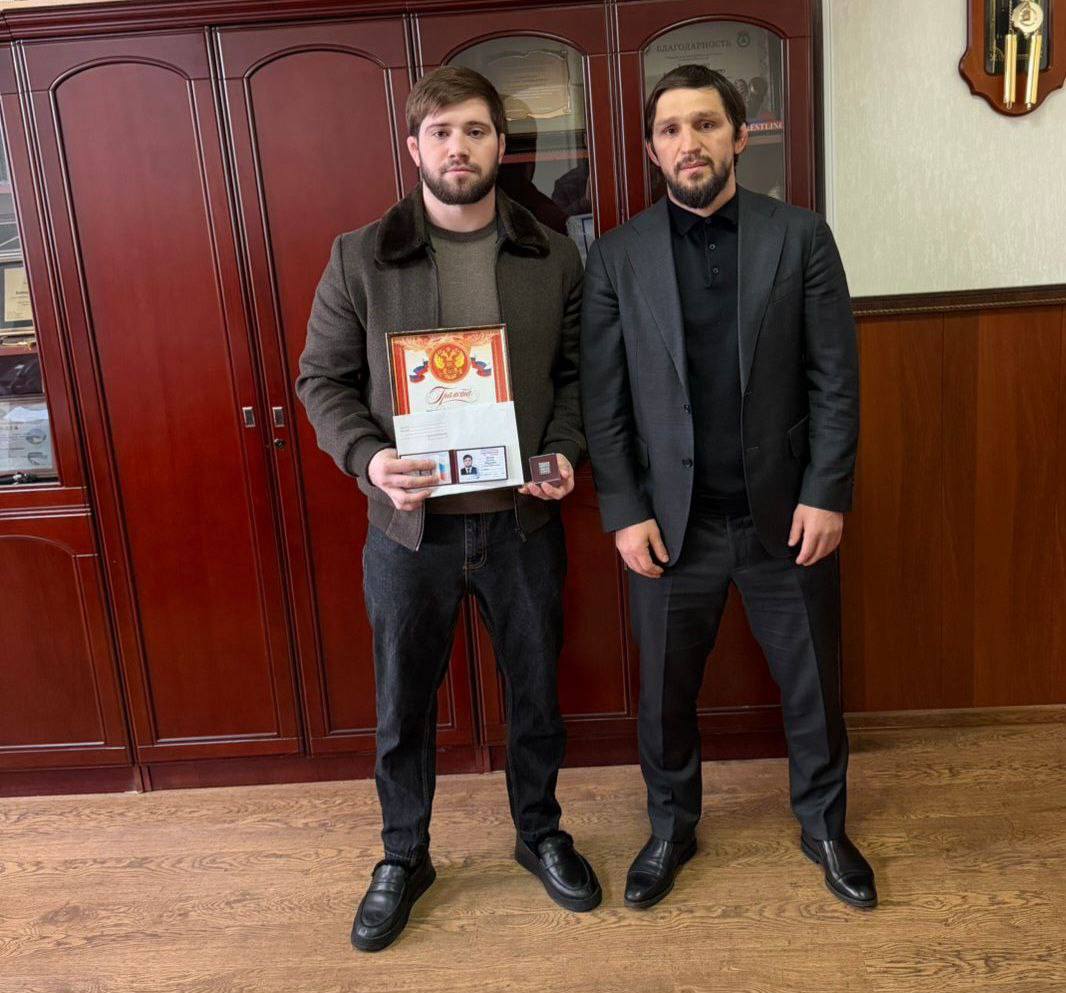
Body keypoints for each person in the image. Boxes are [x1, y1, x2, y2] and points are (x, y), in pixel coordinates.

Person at [297, 66, 599, 952]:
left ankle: (539, 831)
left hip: (521, 522)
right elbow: (322, 381)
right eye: (440, 132)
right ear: (414, 147)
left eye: (474, 131)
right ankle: (404, 855)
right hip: (409, 530)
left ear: (500, 146)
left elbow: (580, 376)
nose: (457, 148)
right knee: (402, 706)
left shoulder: (554, 254)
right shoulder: (359, 256)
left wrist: (564, 451)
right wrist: (370, 459)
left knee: (536, 694)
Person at [580, 64, 876, 911]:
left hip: (786, 515)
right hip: (671, 526)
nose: (689, 142)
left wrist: (828, 492)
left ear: (741, 136)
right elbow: (602, 400)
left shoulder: (801, 237)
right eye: (671, 129)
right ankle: (671, 828)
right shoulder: (617, 255)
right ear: (652, 150)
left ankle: (824, 825)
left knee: (815, 687)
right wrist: (624, 511)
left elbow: (834, 379)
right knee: (664, 697)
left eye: (706, 124)